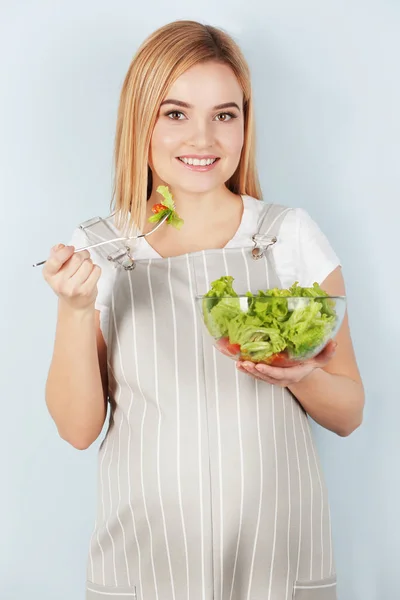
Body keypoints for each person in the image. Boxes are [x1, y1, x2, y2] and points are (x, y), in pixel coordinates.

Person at [42, 19, 364, 600]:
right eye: (175, 113)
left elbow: (349, 413)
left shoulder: (287, 235)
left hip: (277, 554)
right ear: (140, 121)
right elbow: (76, 429)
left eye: (225, 114)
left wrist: (303, 376)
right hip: (147, 557)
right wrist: (75, 309)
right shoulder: (101, 249)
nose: (204, 139)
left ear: (244, 125)